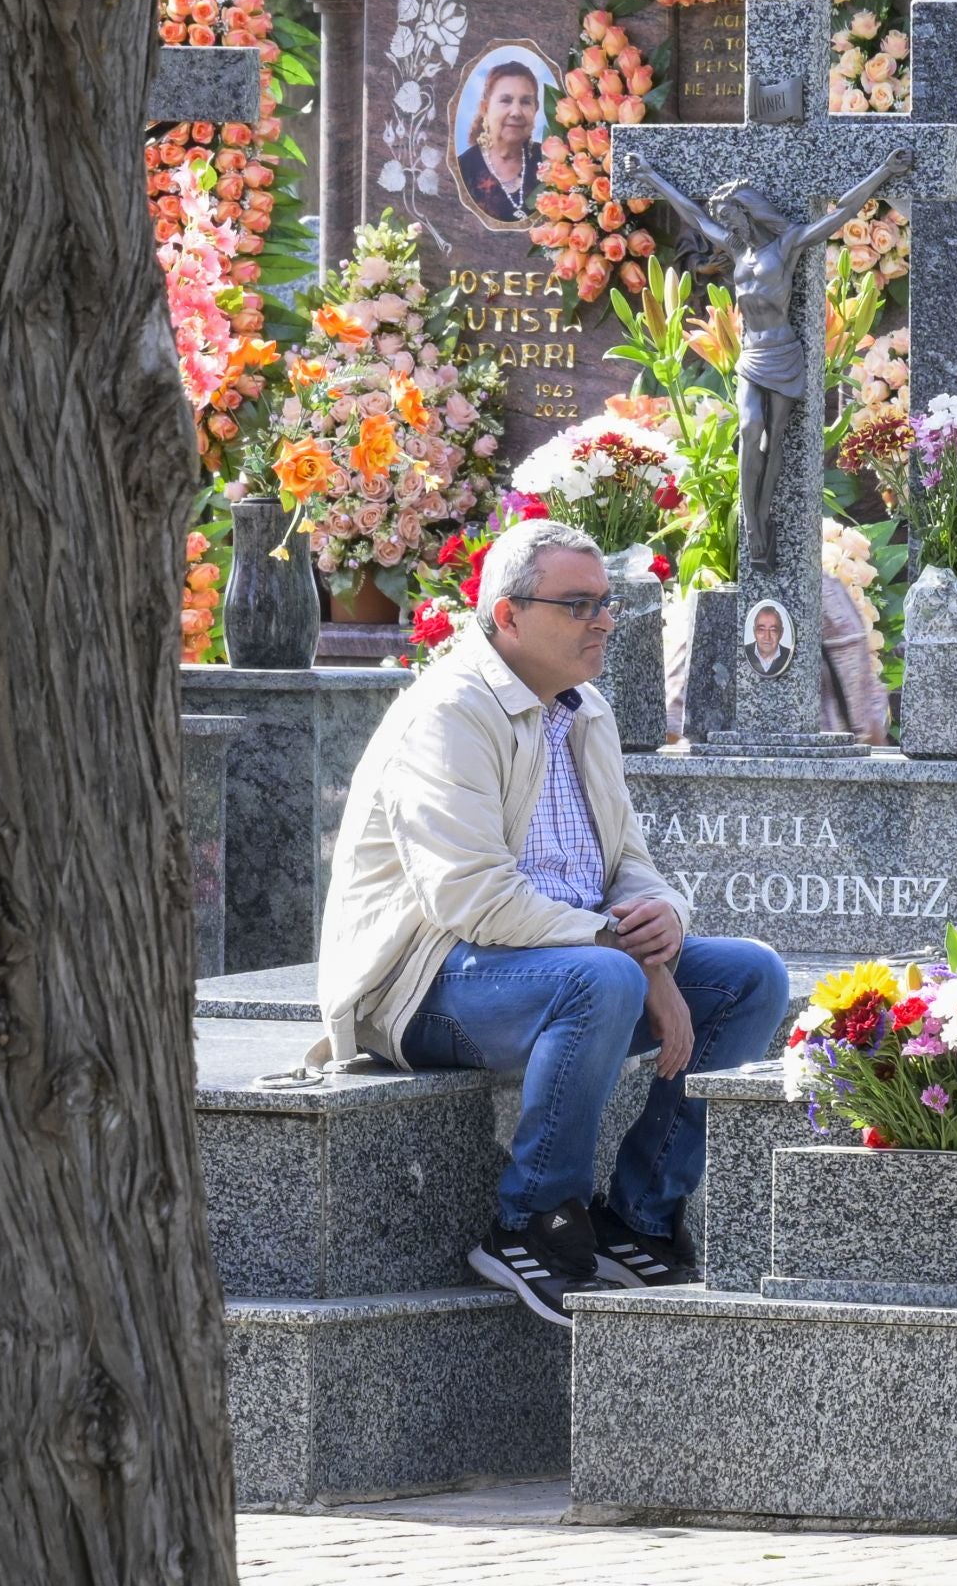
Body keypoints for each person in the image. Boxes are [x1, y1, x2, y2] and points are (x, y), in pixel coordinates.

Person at [314, 520, 790, 1326]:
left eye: (604, 602)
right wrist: (634, 960)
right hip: (426, 983)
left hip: (554, 967)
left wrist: (663, 922)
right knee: (601, 977)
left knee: (752, 975)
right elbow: (472, 900)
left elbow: (627, 863)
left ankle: (637, 1218)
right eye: (578, 605)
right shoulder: (449, 714)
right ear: (507, 616)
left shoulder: (582, 708)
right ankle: (533, 1221)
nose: (604, 620)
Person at [627, 147, 909, 570]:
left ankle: (764, 524)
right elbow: (691, 214)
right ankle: (754, 526)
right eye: (724, 219)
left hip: (784, 353)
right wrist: (650, 177)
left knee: (772, 439)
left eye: (731, 216)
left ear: (748, 213)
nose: (725, 224)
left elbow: (843, 212)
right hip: (752, 353)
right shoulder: (737, 251)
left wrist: (883, 171)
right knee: (748, 427)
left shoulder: (788, 244)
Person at [455, 59, 545, 223]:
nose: (516, 112)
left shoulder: (551, 163)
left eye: (525, 102)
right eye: (506, 100)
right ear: (485, 108)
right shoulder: (463, 168)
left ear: (536, 109)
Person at [745, 604, 792, 676]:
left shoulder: (790, 656)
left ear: (781, 633)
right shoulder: (743, 652)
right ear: (754, 632)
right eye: (761, 630)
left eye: (773, 630)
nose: (767, 637)